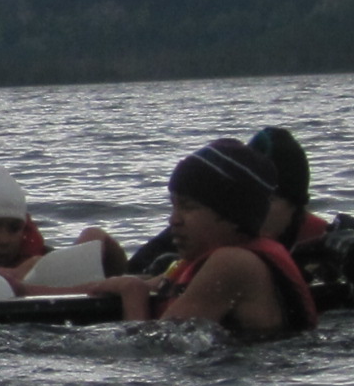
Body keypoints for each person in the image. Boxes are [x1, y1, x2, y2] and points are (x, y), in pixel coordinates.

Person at [96, 140, 316, 337]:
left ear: (232, 214)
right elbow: (151, 284)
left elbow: (154, 350)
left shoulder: (232, 263)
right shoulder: (199, 261)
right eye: (173, 206)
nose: (174, 220)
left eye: (188, 207)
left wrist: (132, 294)